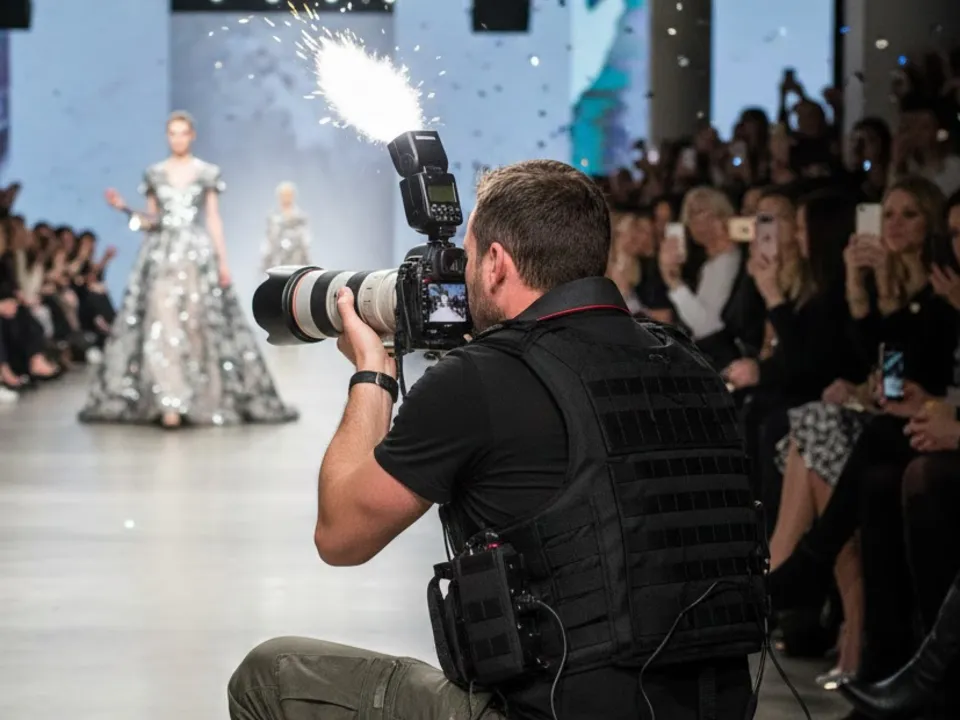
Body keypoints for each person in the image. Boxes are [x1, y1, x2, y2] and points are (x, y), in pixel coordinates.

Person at [228, 160, 766, 720]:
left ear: (496, 263)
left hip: (549, 713)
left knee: (268, 674)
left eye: (466, 256)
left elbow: (341, 536)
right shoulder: (688, 361)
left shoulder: (482, 377)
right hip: (717, 709)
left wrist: (373, 372)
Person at [78, 110, 297, 429]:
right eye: (172, 133)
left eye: (183, 133)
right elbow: (152, 221)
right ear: (167, 136)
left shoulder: (206, 172)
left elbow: (213, 218)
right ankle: (169, 401)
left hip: (196, 257)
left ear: (192, 135)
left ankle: (196, 398)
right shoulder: (154, 174)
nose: (178, 138)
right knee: (161, 325)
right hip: (161, 257)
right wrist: (124, 208)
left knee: (195, 326)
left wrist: (223, 262)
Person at [261, 181, 311, 274]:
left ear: (293, 196)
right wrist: (265, 263)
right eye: (283, 195)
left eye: (288, 195)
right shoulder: (273, 218)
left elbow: (305, 242)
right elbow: (269, 241)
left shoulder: (300, 217)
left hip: (297, 262)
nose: (286, 198)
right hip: (277, 262)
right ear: (279, 197)